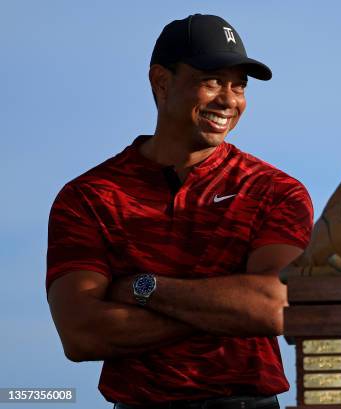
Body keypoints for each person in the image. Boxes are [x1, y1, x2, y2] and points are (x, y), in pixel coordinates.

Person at [46, 14, 313, 409]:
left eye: (238, 86)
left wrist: (142, 288)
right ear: (161, 82)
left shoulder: (275, 191)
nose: (229, 100)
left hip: (247, 403)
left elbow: (276, 307)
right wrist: (230, 308)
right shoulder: (89, 196)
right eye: (212, 81)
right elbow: (81, 333)